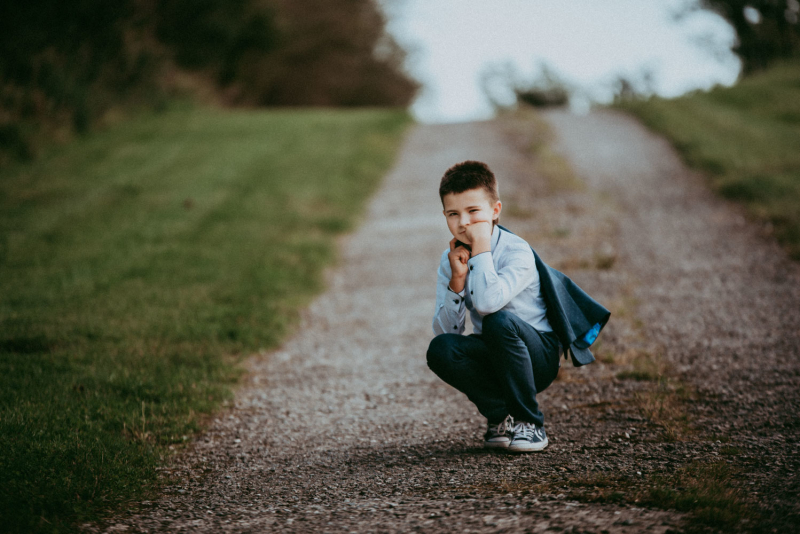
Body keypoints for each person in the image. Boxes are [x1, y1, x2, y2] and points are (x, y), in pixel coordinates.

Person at [426, 160, 561, 452]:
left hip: (537, 355)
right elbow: (447, 331)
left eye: (473, 211)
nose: (463, 223)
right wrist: (458, 281)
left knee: (499, 321)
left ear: (495, 211)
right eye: (453, 214)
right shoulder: (450, 260)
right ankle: (501, 415)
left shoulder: (516, 251)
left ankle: (530, 423)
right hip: (495, 352)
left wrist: (482, 251)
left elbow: (488, 305)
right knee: (441, 349)